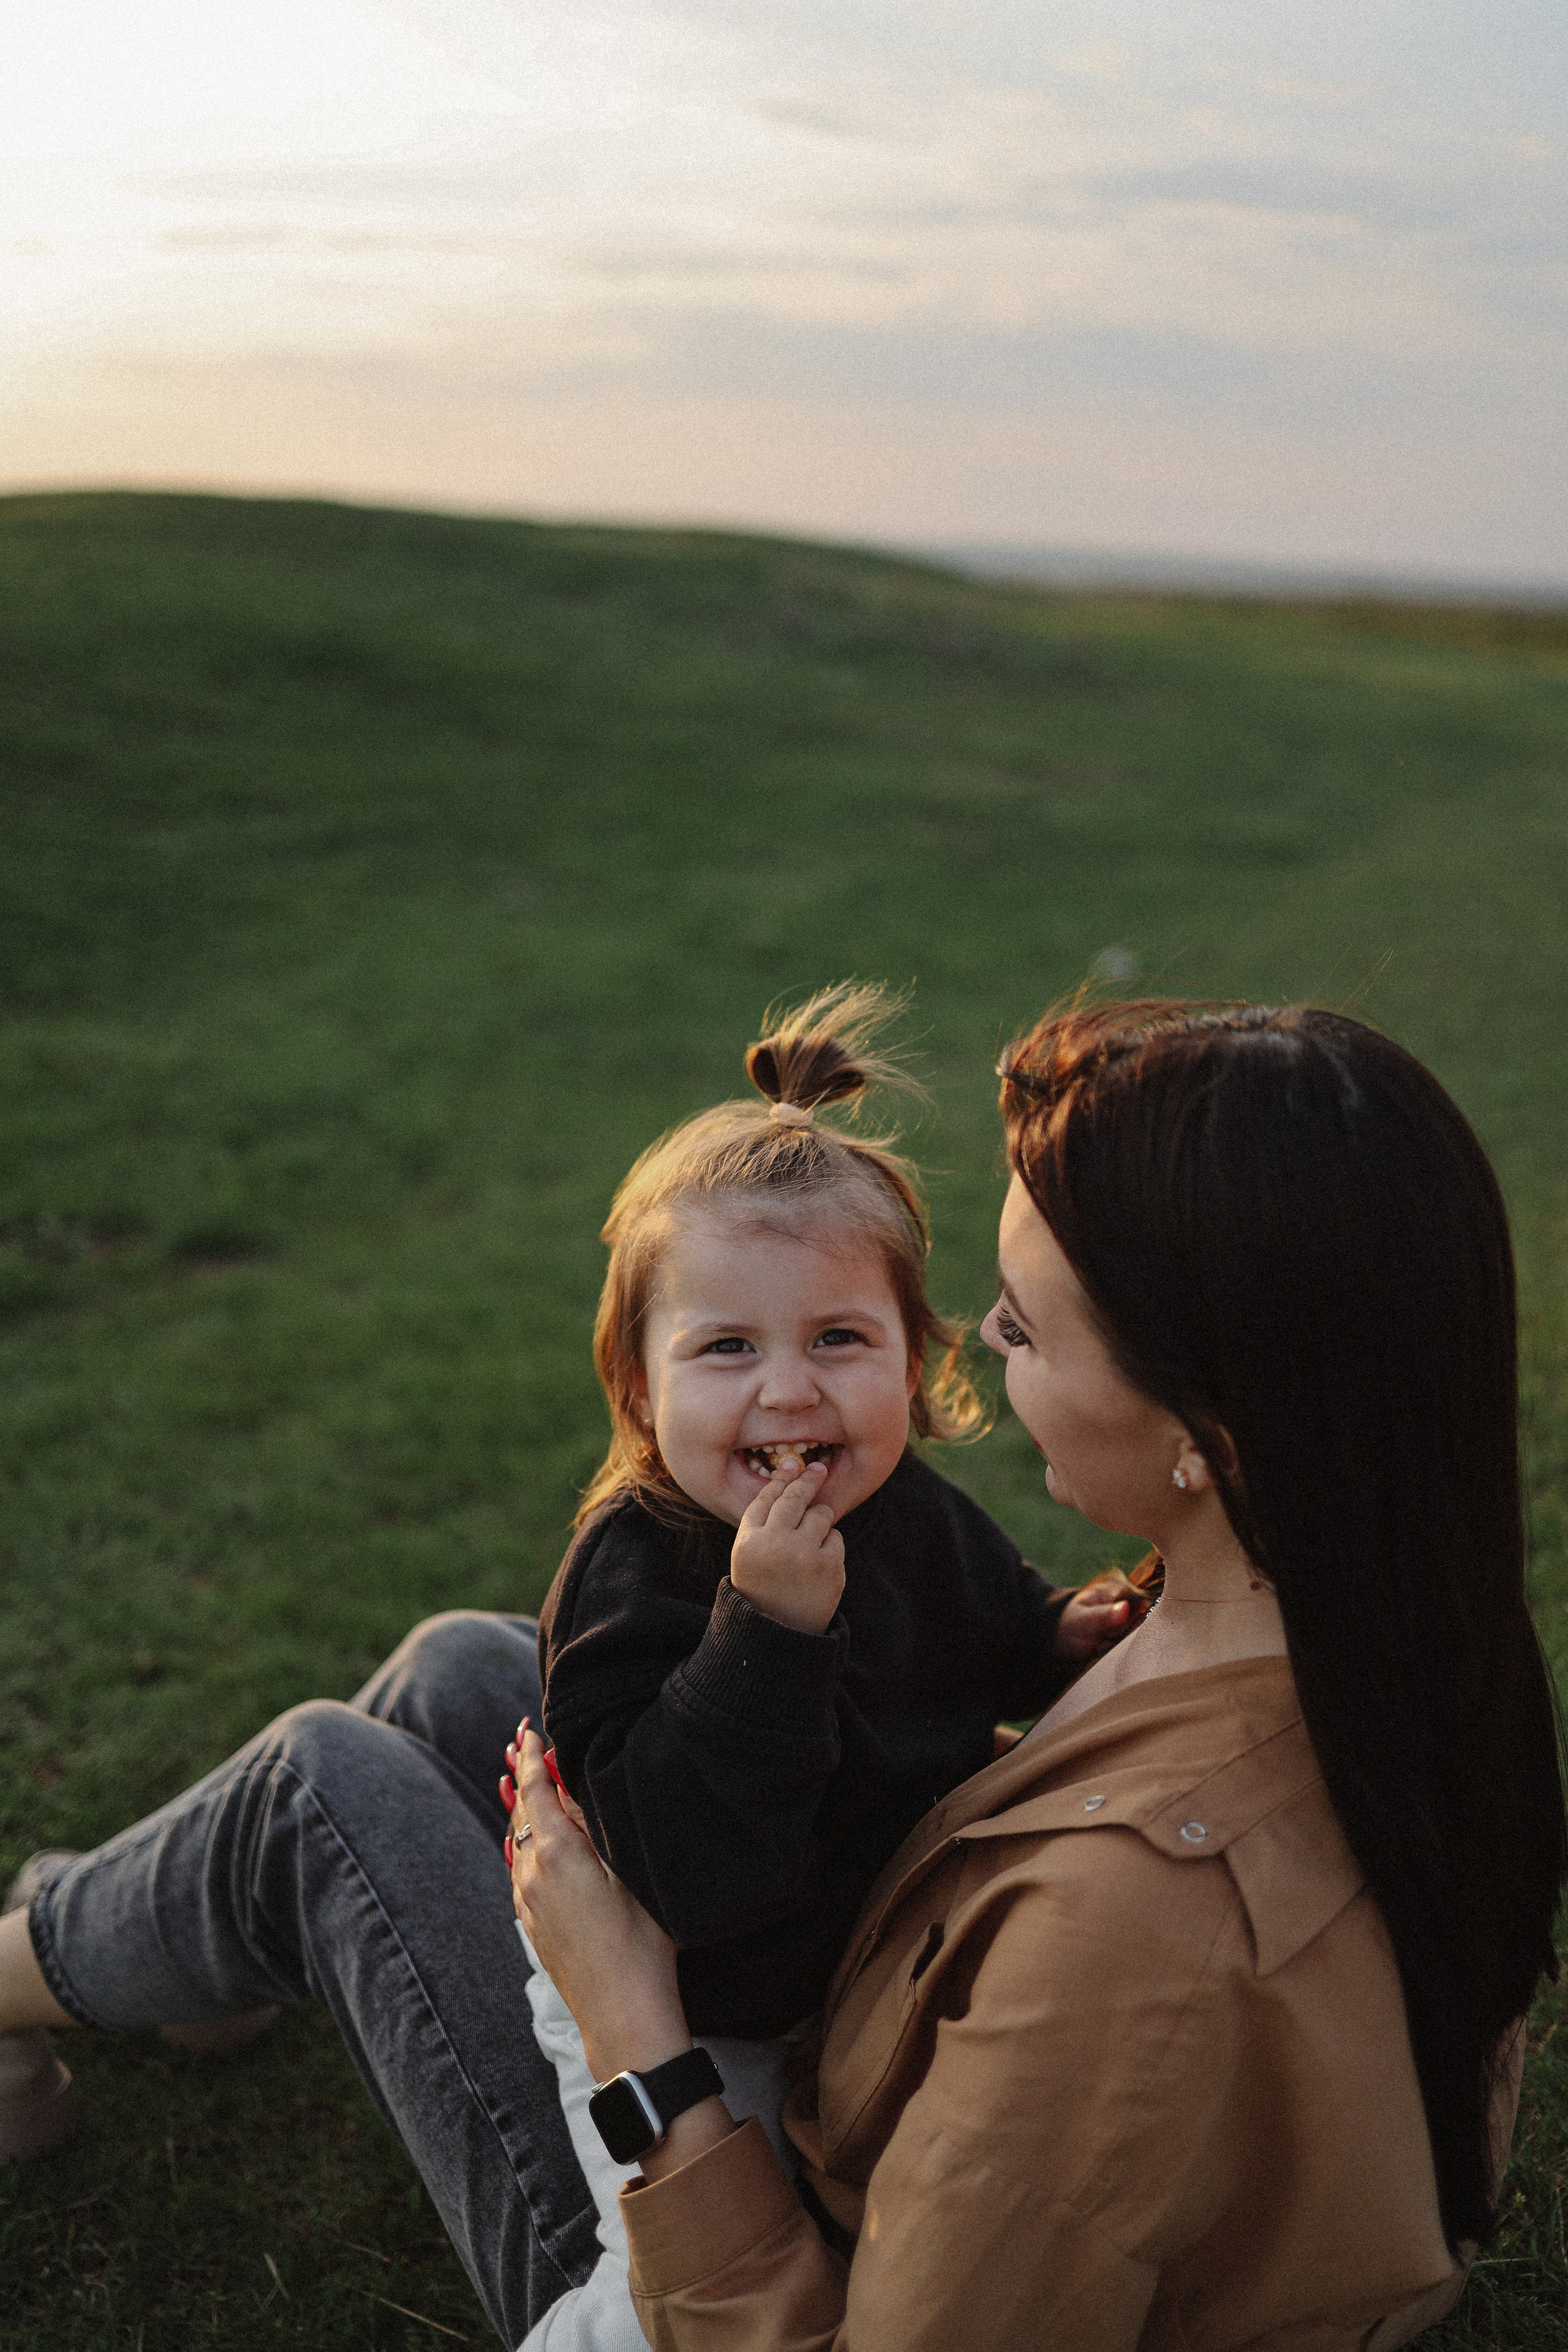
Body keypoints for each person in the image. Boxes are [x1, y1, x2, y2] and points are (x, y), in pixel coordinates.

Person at [506, 1000, 1567, 2351]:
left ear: (1210, 1426)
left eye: (1022, 1329)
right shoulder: (1380, 1638)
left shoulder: (1124, 1941)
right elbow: (989, 1627)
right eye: (727, 1349)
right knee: (458, 1670)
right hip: (761, 1940)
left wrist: (631, 2032)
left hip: (711, 2121)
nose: (986, 1356)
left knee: (320, 1781)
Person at [514, 984, 1134, 2343]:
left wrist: (1052, 1638)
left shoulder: (900, 1508)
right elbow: (682, 1870)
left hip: (846, 1978)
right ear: (637, 1385)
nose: (787, 1393)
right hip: (683, 2012)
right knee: (672, 2290)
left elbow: (982, 1623)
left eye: (837, 1342)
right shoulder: (633, 1571)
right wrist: (767, 1636)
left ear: (913, 1365)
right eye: (726, 1348)